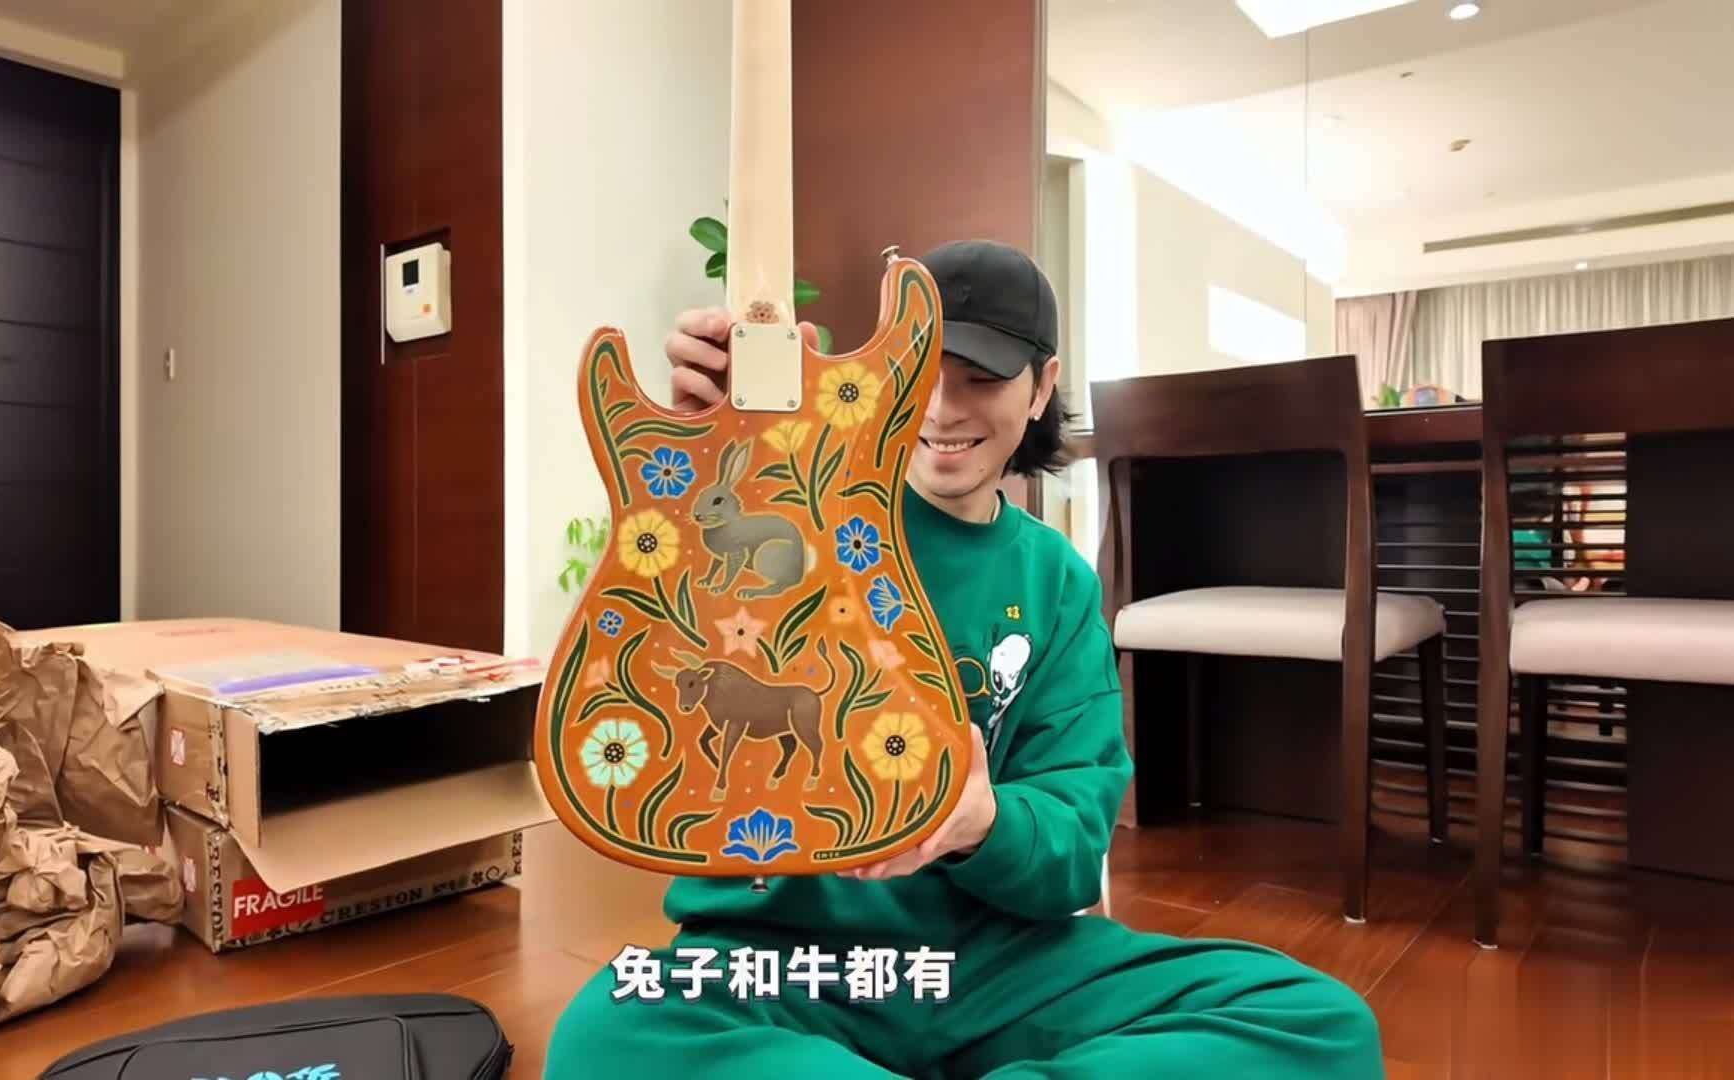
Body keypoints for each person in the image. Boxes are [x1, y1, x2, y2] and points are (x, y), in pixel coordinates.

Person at [545, 239, 1383, 1078]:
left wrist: (982, 824)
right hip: (777, 963)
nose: (943, 409)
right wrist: (702, 469)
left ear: (1041, 387)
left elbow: (1071, 841)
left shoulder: (1054, 580)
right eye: (922, 376)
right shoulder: (791, 513)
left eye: (981, 378)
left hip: (995, 965)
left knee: (1316, 1022)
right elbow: (656, 676)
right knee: (608, 1032)